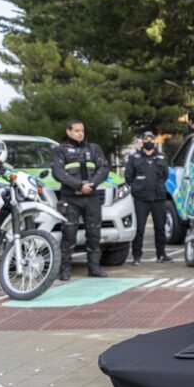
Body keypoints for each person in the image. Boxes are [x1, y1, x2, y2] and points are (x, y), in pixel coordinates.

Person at [51, 119, 110, 280]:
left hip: (91, 197)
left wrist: (92, 184)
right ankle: (64, 270)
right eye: (76, 130)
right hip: (71, 199)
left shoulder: (93, 148)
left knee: (94, 233)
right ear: (68, 132)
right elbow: (58, 172)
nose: (80, 133)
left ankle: (94, 268)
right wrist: (78, 185)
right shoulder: (60, 150)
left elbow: (103, 168)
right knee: (69, 233)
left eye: (82, 130)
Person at [126, 131, 172, 265]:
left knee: (160, 227)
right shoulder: (134, 158)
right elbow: (129, 177)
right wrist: (137, 186)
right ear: (142, 142)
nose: (149, 141)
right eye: (146, 138)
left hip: (158, 197)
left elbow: (165, 175)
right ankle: (136, 256)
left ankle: (161, 254)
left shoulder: (162, 157)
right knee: (139, 228)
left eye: (151, 138)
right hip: (141, 198)